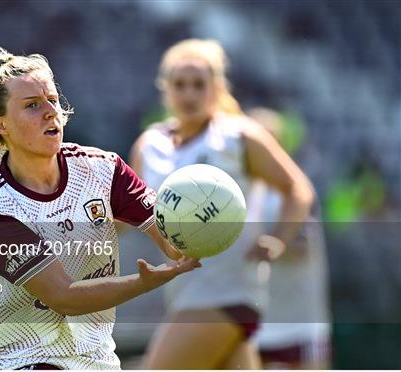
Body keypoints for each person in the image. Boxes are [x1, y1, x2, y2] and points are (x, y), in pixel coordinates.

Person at [0, 46, 200, 370]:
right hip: (21, 362)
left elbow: (172, 240)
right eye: (32, 105)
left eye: (53, 100)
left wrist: (204, 226)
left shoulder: (104, 170)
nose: (50, 112)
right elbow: (65, 297)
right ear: (0, 124)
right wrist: (142, 283)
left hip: (96, 363)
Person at [130, 39, 314, 369]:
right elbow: (130, 214)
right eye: (179, 84)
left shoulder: (239, 137)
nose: (189, 94)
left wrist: (279, 238)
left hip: (227, 295)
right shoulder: (149, 145)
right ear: (165, 89)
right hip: (183, 295)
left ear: (217, 88)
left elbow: (297, 188)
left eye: (199, 84)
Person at [248, 108, 331, 370]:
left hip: (298, 325)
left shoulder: (295, 193)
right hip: (252, 323)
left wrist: (268, 243)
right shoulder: (238, 194)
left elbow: (300, 247)